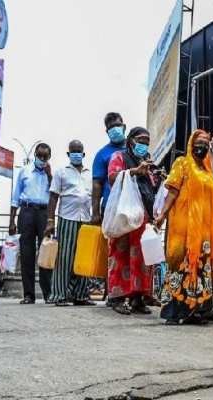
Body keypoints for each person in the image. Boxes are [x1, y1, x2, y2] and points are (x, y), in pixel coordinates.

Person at [155, 129, 213, 325]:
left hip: (204, 232)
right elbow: (172, 192)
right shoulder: (182, 163)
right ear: (192, 143)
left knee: (201, 270)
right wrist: (162, 215)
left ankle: (195, 311)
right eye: (199, 142)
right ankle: (174, 312)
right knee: (179, 265)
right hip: (183, 228)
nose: (202, 146)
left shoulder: (208, 171)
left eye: (206, 143)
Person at [106, 127, 158, 315]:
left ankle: (137, 298)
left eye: (146, 142)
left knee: (141, 257)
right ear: (130, 141)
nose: (143, 145)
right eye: (140, 141)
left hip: (143, 214)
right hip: (124, 214)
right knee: (121, 253)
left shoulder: (148, 161)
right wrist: (134, 171)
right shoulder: (119, 157)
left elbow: (151, 187)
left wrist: (156, 176)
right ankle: (117, 297)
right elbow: (112, 177)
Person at [44, 140, 94, 306]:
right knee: (64, 258)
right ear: (68, 154)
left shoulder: (89, 173)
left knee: (83, 258)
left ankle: (81, 295)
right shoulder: (61, 172)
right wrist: (50, 220)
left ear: (84, 154)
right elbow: (53, 197)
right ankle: (59, 295)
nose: (76, 154)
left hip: (85, 219)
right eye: (73, 151)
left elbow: (93, 196)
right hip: (67, 218)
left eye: (79, 151)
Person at [10, 143, 54, 304]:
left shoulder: (51, 175)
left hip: (44, 213)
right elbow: (15, 198)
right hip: (26, 212)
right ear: (35, 154)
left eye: (45, 156)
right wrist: (11, 221)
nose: (42, 159)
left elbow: (56, 195)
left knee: (45, 252)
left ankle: (48, 294)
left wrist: (50, 175)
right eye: (40, 156)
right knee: (27, 253)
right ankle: (28, 294)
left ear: (49, 157)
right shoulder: (25, 170)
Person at [91, 112, 127, 303]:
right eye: (110, 127)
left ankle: (133, 294)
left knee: (132, 250)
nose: (115, 129)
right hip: (111, 207)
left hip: (133, 207)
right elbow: (97, 184)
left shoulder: (133, 148)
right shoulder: (102, 154)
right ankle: (112, 291)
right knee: (113, 250)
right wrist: (95, 212)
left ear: (124, 126)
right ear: (106, 131)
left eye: (117, 125)